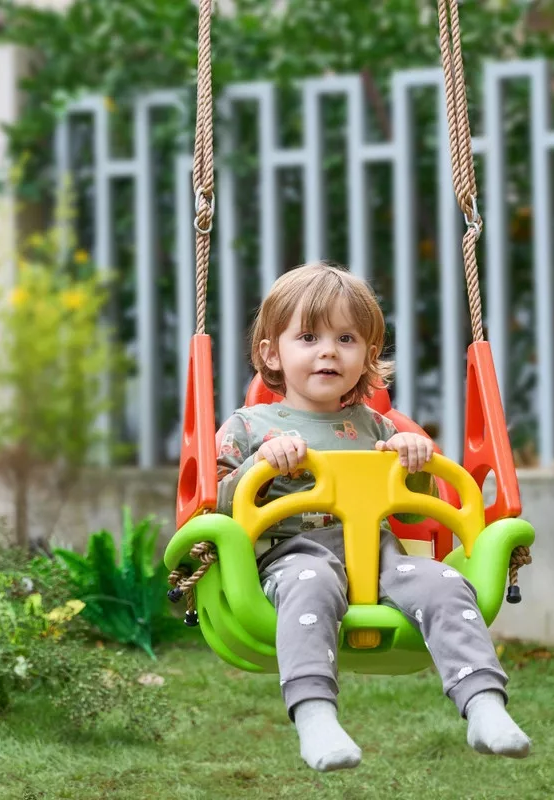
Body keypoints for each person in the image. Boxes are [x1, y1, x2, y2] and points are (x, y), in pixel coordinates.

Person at [215, 262, 531, 772]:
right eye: (309, 337)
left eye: (346, 338)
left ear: (367, 354)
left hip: (380, 559)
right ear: (271, 352)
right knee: (313, 582)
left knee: (446, 583)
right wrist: (261, 465)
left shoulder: (380, 427)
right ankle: (315, 716)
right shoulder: (248, 427)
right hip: (290, 556)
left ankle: (484, 705)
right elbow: (214, 505)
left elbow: (413, 509)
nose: (329, 351)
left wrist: (414, 459)